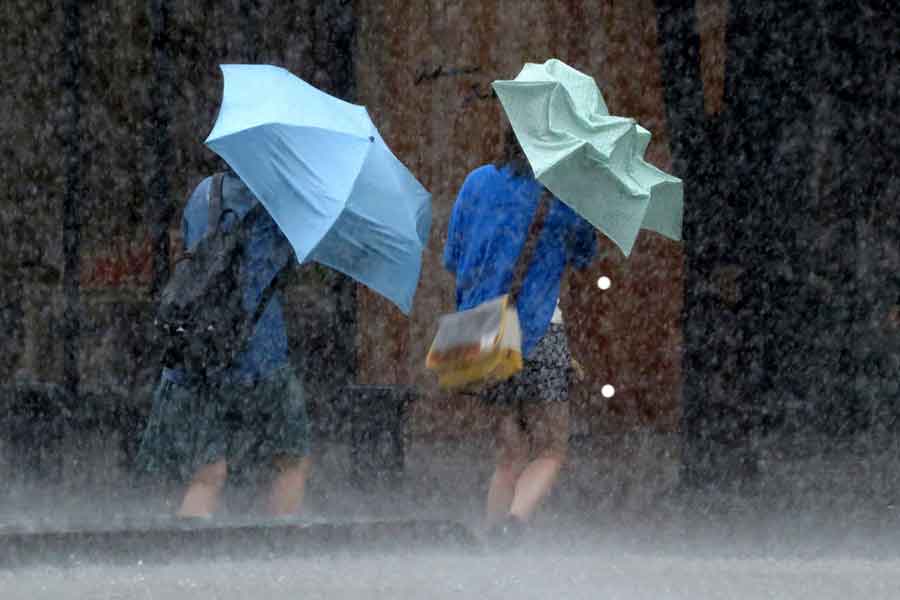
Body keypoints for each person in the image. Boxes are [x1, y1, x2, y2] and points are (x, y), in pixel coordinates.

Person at [443, 126, 598, 539]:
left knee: (510, 453)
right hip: (538, 332)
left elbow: (454, 258)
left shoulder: (477, 183)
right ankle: (514, 524)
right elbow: (585, 255)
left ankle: (491, 549)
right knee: (551, 447)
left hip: (482, 333)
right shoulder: (564, 195)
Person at [137, 170, 312, 519]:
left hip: (197, 352)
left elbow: (193, 250)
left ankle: (190, 557)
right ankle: (282, 550)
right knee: (291, 458)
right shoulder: (284, 203)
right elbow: (290, 260)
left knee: (206, 475)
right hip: (258, 355)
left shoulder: (205, 192)